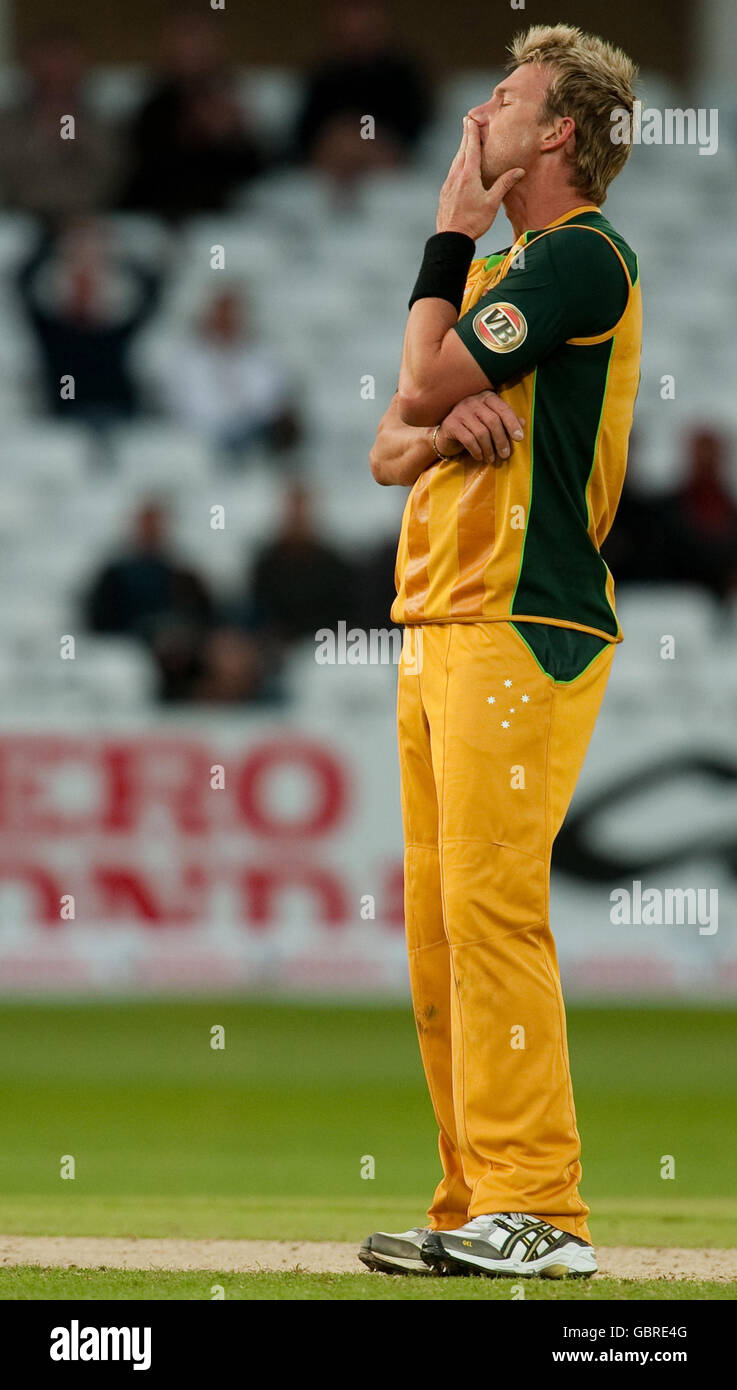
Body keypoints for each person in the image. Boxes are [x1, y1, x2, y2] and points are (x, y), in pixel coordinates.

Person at [361, 24, 641, 1280]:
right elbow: (390, 437)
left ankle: (542, 1207)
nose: (483, 109)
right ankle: (475, 1197)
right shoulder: (515, 271)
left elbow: (418, 387)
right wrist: (434, 421)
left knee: (488, 910)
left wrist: (447, 230)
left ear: (558, 132)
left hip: (522, 617)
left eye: (508, 96)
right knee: (439, 928)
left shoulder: (576, 260)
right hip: (444, 615)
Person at [119, 7, 264, 219]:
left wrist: (233, 139)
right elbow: (141, 168)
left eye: (198, 38)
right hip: (157, 213)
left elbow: (256, 172)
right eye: (183, 37)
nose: (190, 48)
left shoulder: (239, 103)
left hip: (225, 217)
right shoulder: (151, 105)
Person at [16, 219, 161, 428]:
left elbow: (151, 291)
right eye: (77, 291)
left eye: (90, 292)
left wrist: (116, 251)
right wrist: (57, 245)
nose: (83, 297)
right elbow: (23, 283)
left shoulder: (114, 335)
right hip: (66, 418)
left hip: (120, 416)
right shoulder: (53, 334)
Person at [84, 500, 214, 701]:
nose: (151, 530)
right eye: (146, 523)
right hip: (134, 645)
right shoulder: (115, 575)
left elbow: (205, 616)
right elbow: (99, 620)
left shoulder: (183, 574)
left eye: (156, 524)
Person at [293, 0, 430, 183]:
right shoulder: (323, 75)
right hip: (329, 159)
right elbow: (307, 132)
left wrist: (366, 137)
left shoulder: (403, 74)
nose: (356, 30)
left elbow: (412, 127)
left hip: (388, 157)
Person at [159, 288, 301, 462]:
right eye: (220, 314)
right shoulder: (189, 358)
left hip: (256, 433)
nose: (226, 320)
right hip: (208, 437)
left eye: (232, 314)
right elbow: (190, 408)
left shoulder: (261, 353)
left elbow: (272, 399)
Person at [0, 26, 123, 220]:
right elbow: (10, 180)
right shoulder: (9, 123)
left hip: (89, 222)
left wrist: (74, 139)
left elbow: (111, 178)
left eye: (65, 63)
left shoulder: (103, 124)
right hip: (19, 221)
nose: (57, 73)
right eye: (49, 63)